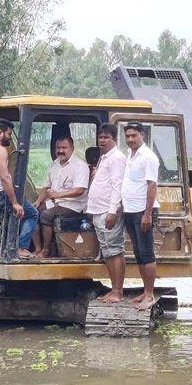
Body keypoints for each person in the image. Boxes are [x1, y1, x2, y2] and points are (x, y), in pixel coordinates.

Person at [0, 118, 38, 259]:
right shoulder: (0, 150)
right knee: (31, 214)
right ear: (0, 133)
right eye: (9, 134)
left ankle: (4, 246)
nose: (10, 137)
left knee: (11, 215)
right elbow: (5, 178)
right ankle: (21, 248)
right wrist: (15, 202)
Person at [121, 122, 161, 311]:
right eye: (127, 136)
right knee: (137, 252)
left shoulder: (148, 157)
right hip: (129, 209)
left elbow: (151, 185)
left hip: (142, 211)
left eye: (133, 136)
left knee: (146, 252)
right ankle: (145, 291)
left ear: (142, 135)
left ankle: (150, 295)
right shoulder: (130, 154)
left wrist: (147, 214)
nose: (130, 139)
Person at [85, 123, 126, 301]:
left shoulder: (117, 158)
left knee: (115, 250)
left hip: (107, 212)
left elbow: (118, 186)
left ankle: (118, 291)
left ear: (114, 139)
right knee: (107, 250)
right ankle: (113, 289)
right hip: (98, 211)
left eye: (106, 137)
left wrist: (113, 211)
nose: (102, 140)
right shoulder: (104, 157)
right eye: (100, 137)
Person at [31, 136, 89, 258]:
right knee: (32, 212)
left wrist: (58, 195)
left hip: (73, 205)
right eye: (58, 147)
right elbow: (47, 187)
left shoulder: (80, 166)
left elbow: (79, 190)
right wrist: (37, 201)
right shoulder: (54, 164)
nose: (61, 150)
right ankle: (37, 248)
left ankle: (46, 251)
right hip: (55, 202)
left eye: (64, 147)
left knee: (46, 216)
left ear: (72, 148)